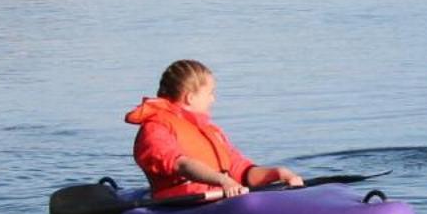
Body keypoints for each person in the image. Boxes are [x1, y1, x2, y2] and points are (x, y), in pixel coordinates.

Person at [126, 59, 304, 199]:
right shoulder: (155, 129)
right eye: (210, 93)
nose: (213, 100)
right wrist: (223, 180)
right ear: (190, 97)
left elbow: (240, 170)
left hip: (219, 199)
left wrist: (277, 173)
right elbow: (181, 164)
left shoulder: (211, 130)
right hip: (181, 206)